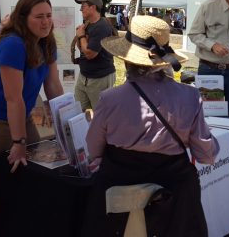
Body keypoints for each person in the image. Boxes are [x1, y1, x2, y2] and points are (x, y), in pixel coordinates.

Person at [84, 15, 220, 237]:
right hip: (174, 202)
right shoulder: (190, 96)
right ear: (164, 61)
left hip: (118, 198)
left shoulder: (110, 99)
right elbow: (207, 155)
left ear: (126, 59)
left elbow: (93, 149)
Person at [0, 0, 64, 208]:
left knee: (30, 176)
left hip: (21, 116)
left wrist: (65, 123)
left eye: (49, 15)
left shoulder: (47, 42)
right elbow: (13, 98)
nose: (46, 21)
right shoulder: (12, 44)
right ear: (22, 18)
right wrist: (18, 142)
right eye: (39, 16)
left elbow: (53, 86)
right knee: (0, 182)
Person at [73, 0, 116, 110]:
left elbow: (90, 54)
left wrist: (81, 36)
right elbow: (82, 49)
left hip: (100, 79)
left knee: (101, 116)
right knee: (76, 112)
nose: (81, 9)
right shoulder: (88, 25)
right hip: (85, 77)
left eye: (83, 6)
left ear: (93, 7)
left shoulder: (101, 27)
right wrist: (80, 38)